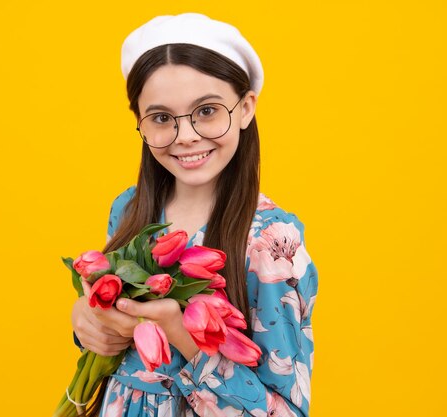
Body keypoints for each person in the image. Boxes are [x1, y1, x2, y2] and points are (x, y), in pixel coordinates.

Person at [70, 13, 318, 417]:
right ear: (140, 123)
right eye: (162, 118)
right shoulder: (130, 209)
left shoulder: (271, 242)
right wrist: (88, 319)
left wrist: (182, 334)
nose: (185, 136)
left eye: (206, 111)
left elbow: (285, 411)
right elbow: (115, 337)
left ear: (245, 108)